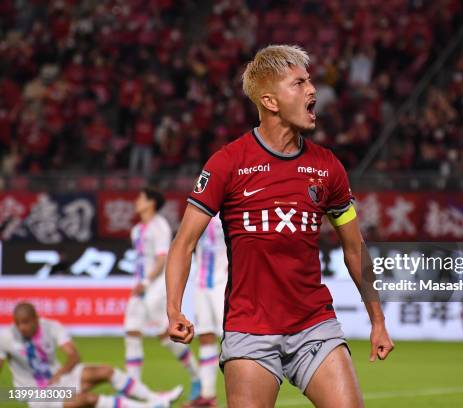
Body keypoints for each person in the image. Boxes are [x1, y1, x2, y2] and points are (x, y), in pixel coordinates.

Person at [165, 44, 394, 408]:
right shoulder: (228, 164)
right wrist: (174, 309)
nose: (312, 90)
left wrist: (377, 319)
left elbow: (355, 248)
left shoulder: (327, 167)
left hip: (314, 325)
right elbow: (183, 243)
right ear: (271, 102)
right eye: (299, 84)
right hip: (249, 330)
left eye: (310, 81)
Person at [0, 302, 182, 408]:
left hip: (58, 380)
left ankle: (153, 398)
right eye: (18, 323)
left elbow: (73, 355)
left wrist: (60, 373)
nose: (21, 327)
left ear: (36, 319)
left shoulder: (51, 327)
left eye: (25, 322)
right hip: (34, 393)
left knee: (105, 371)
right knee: (88, 400)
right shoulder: (5, 337)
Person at [124, 187, 201, 400]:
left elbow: (161, 259)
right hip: (140, 286)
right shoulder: (137, 230)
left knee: (164, 334)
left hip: (156, 285)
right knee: (131, 332)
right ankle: (134, 390)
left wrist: (147, 281)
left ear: (151, 202)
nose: (136, 201)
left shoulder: (159, 226)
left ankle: (196, 378)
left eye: (140, 198)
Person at [184, 215, 228, 408]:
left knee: (230, 337)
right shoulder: (198, 211)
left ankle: (243, 393)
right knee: (205, 336)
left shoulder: (228, 209)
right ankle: (207, 395)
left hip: (223, 282)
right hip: (201, 282)